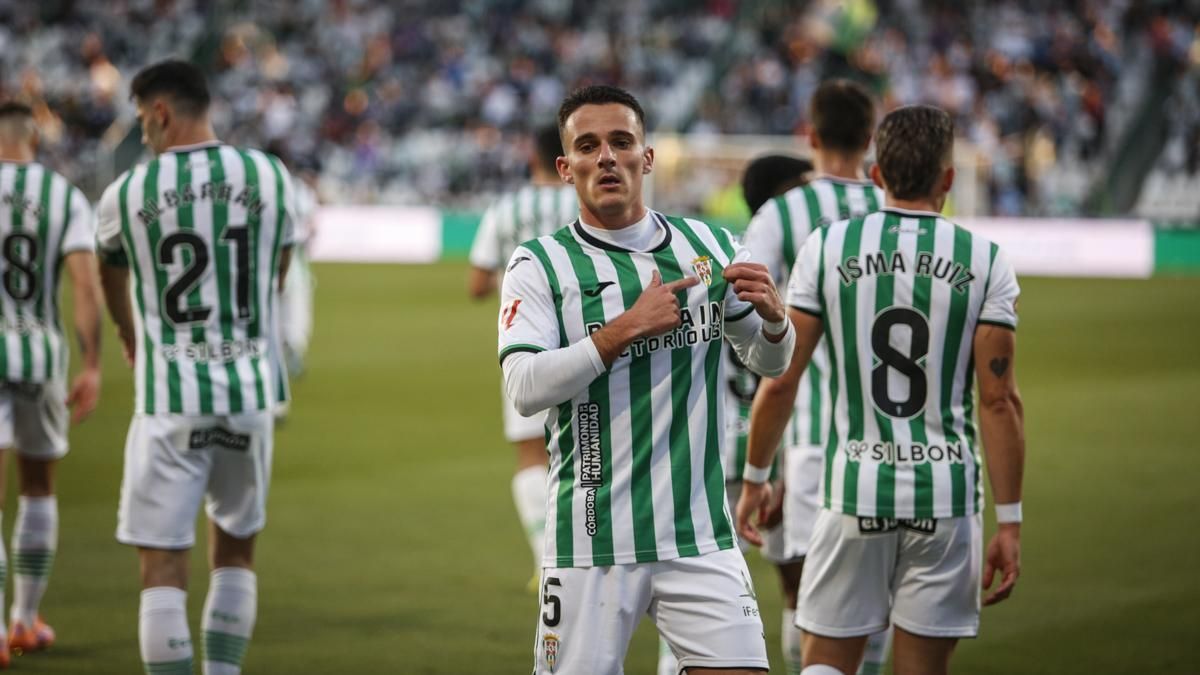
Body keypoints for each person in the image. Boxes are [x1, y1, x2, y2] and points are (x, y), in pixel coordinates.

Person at [499, 84, 795, 675]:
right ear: (565, 167)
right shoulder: (540, 264)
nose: (606, 157)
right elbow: (525, 387)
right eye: (588, 146)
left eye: (621, 141)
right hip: (592, 539)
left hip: (700, 536)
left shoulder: (707, 246)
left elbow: (768, 364)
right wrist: (621, 331)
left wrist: (776, 322)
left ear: (647, 156)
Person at [736, 104, 1025, 675]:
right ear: (948, 178)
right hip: (946, 496)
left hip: (854, 488)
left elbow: (783, 376)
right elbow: (999, 400)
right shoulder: (986, 259)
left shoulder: (827, 246)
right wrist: (1010, 520)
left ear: (877, 175)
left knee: (824, 662)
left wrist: (755, 478)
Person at [95, 60, 294, 675]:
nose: (143, 135)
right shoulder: (270, 175)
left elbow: (110, 268)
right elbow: (279, 268)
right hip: (250, 392)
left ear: (159, 113)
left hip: (169, 398)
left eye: (141, 122)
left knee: (162, 566)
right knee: (235, 551)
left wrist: (130, 333)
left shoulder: (127, 192)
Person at [740, 81, 890, 675]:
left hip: (805, 442)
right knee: (870, 607)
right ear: (870, 139)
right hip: (890, 443)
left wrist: (759, 464)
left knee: (807, 600)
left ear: (811, 136)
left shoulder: (783, 213)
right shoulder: (894, 210)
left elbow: (748, 310)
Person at [0, 101, 102, 665]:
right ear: (33, 138)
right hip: (40, 354)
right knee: (38, 489)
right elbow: (85, 286)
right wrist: (92, 364)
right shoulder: (62, 194)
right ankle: (24, 619)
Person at [467, 124, 577, 587]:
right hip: (590, 342)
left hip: (526, 345)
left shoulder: (507, 208)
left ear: (533, 157)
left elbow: (476, 285)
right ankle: (585, 552)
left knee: (532, 456)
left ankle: (544, 557)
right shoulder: (583, 201)